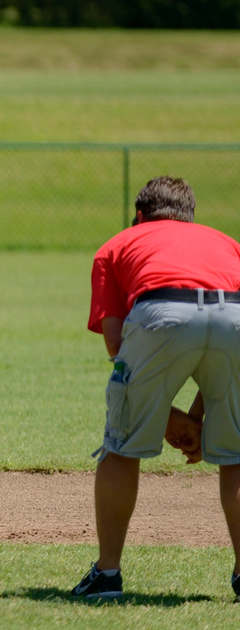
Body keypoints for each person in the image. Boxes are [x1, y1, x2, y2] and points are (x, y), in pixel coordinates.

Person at [73, 176, 240, 600]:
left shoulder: (118, 244)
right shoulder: (227, 243)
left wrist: (168, 419)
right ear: (189, 217)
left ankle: (107, 574)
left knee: (122, 447)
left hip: (161, 311)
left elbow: (118, 348)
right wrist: (199, 420)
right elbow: (219, 340)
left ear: (141, 216)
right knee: (237, 454)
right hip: (235, 316)